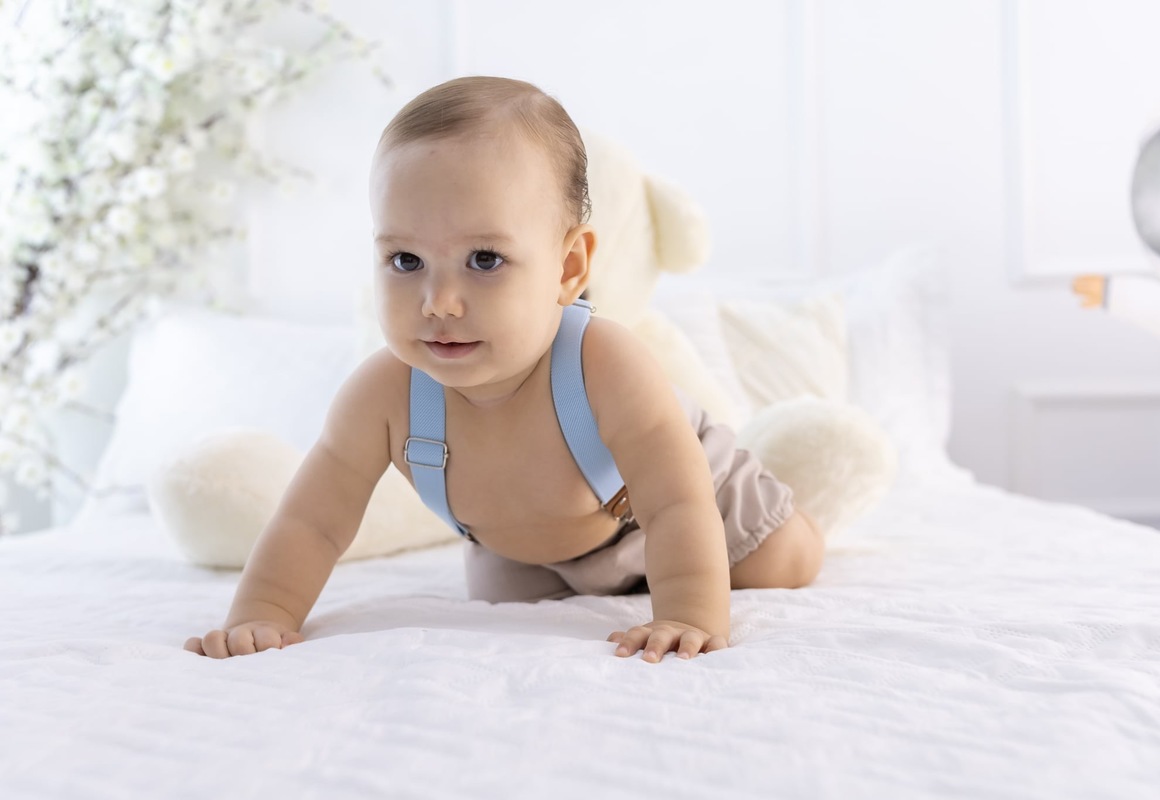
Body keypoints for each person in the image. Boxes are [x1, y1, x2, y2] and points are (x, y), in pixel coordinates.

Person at [184, 76, 824, 664]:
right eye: (406, 261)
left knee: (785, 562)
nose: (439, 302)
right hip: (531, 553)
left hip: (686, 505)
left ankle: (801, 488)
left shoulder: (604, 362)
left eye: (484, 260)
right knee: (505, 607)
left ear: (568, 268)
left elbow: (677, 503)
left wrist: (686, 613)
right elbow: (311, 523)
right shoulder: (383, 395)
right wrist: (264, 613)